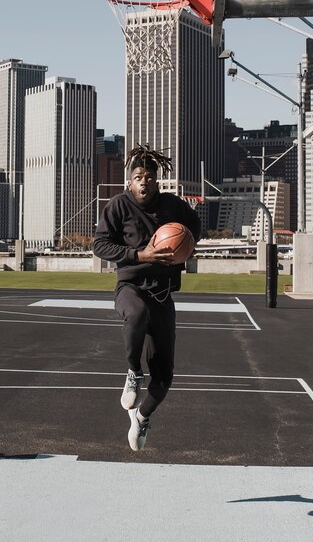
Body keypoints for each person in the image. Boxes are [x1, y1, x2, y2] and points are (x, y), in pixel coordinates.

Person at [93, 144, 201, 451]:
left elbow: (195, 228)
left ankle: (141, 417)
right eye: (139, 176)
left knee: (165, 377)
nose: (145, 181)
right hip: (131, 287)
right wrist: (139, 254)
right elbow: (100, 245)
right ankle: (132, 372)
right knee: (136, 313)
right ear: (130, 181)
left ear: (157, 180)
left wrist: (186, 247)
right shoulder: (118, 206)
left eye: (150, 176)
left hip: (163, 294)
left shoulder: (173, 205)